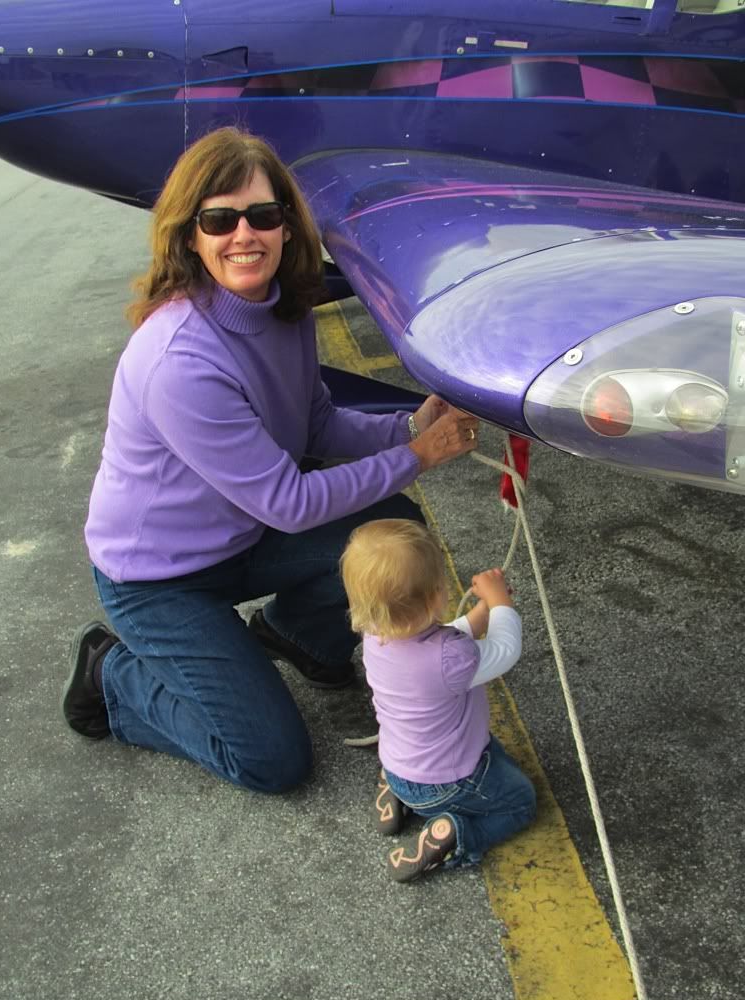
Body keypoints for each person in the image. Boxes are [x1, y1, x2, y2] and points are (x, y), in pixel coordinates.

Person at [61, 126, 480, 794]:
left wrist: (408, 427)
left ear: (286, 225)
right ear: (190, 235)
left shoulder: (285, 312)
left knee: (393, 528)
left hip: (242, 537)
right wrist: (418, 456)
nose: (244, 235)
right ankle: (112, 676)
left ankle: (298, 638)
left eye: (262, 215)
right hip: (159, 581)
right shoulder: (181, 360)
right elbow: (289, 501)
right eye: (219, 220)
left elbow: (316, 423)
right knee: (271, 761)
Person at [340, 519, 536, 883]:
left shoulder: (375, 633)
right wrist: (501, 604)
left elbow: (440, 643)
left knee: (471, 763)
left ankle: (397, 795)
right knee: (520, 802)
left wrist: (481, 614)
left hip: (399, 765)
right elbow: (505, 651)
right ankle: (457, 834)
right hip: (447, 783)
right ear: (435, 597)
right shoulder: (451, 659)